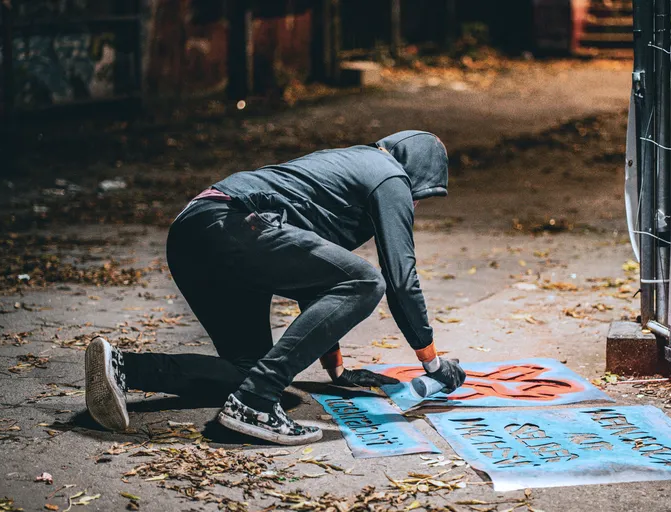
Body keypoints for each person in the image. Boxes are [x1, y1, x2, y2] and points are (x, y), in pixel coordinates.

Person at [84, 131, 466, 445]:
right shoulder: (389, 175)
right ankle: (255, 402)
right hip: (233, 222)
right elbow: (401, 278)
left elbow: (315, 281)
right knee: (366, 280)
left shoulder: (347, 170)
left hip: (195, 232)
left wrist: (337, 371)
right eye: (420, 197)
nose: (413, 205)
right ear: (415, 174)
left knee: (246, 371)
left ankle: (123, 367)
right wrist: (433, 364)